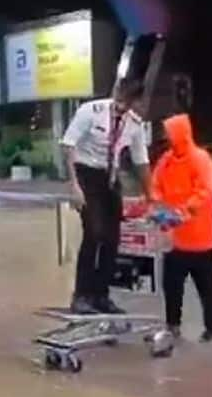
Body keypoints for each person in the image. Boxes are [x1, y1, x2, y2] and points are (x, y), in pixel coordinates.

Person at [60, 78, 152, 314]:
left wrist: (151, 197)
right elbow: (68, 146)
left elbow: (141, 162)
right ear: (116, 92)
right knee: (94, 232)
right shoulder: (91, 111)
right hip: (85, 172)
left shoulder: (134, 124)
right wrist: (74, 186)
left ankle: (101, 295)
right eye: (120, 99)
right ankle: (81, 296)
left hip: (109, 177)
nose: (122, 106)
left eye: (128, 103)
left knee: (112, 238)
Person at [151, 113, 212, 343]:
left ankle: (211, 326)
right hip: (175, 239)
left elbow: (204, 191)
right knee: (172, 286)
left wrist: (183, 211)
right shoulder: (167, 160)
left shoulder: (200, 159)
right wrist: (157, 206)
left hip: (200, 238)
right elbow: (155, 185)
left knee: (206, 287)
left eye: (169, 134)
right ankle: (173, 326)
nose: (166, 138)